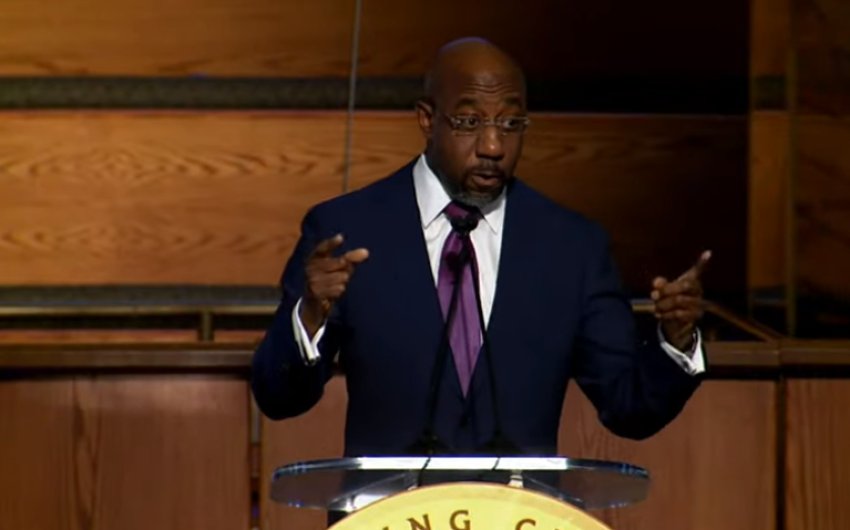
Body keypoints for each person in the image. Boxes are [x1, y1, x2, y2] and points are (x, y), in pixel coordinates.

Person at [252, 37, 708, 462]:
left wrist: (675, 340)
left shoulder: (572, 248)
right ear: (427, 120)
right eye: (470, 122)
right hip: (389, 509)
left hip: (520, 509)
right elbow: (278, 398)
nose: (493, 146)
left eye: (510, 124)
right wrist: (310, 316)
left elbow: (630, 407)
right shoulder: (347, 231)